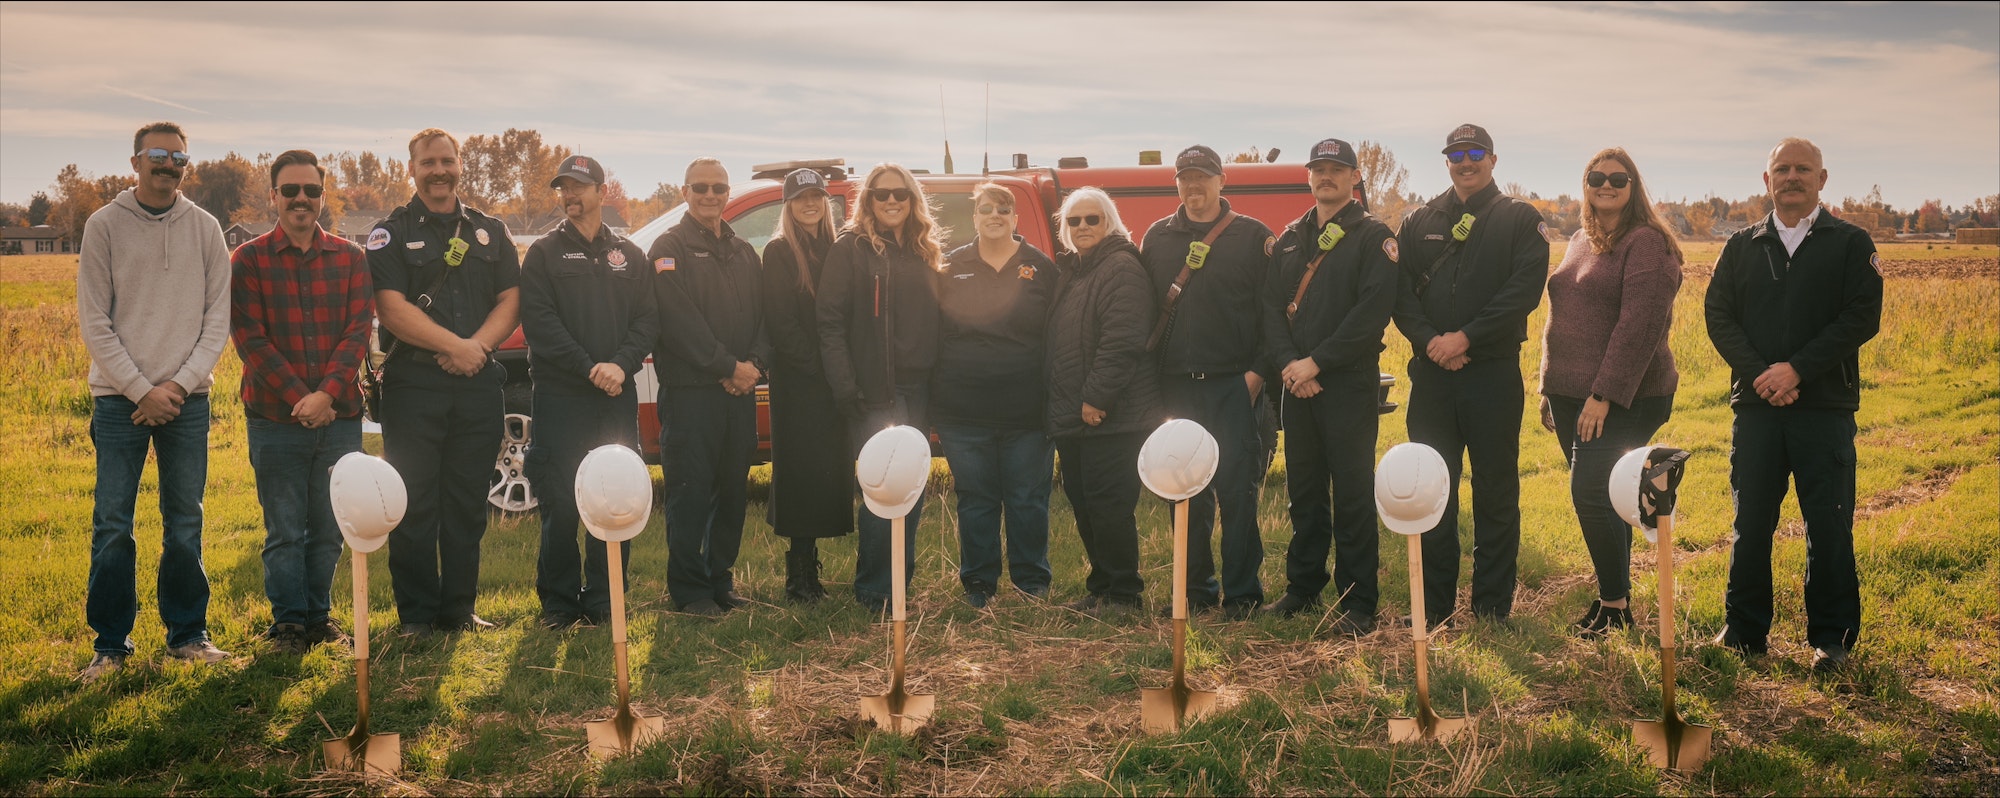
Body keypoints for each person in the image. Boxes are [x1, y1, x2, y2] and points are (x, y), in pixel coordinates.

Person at [1705, 137, 1881, 672]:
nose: (1792, 177)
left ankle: (1831, 639)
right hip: (1756, 411)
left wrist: (1797, 368)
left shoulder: (1850, 243)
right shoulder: (1741, 245)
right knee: (1750, 521)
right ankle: (1743, 631)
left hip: (1824, 408)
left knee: (1828, 524)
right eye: (1782, 168)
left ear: (1822, 180)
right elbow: (1719, 316)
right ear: (1766, 181)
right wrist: (1762, 374)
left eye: (1804, 169)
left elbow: (1860, 317)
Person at [77, 121, 234, 681]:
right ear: (136, 162)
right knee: (113, 523)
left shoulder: (206, 229)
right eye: (159, 156)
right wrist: (142, 390)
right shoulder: (104, 226)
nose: (170, 166)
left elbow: (218, 321)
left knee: (184, 520)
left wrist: (177, 386)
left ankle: (187, 635)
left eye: (180, 159)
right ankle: (111, 646)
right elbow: (95, 321)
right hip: (120, 401)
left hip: (186, 400)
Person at [1391, 123, 1550, 628]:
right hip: (1433, 378)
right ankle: (1436, 606)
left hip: (1492, 375)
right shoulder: (1419, 220)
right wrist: (1433, 343)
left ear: (1493, 159)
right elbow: (1399, 295)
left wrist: (1468, 338)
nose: (1466, 161)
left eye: (1475, 152)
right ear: (1446, 162)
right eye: (1457, 153)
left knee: (1496, 491)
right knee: (1433, 488)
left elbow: (1523, 291)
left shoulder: (1520, 219)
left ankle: (1491, 607)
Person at [368, 128, 520, 637]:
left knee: (465, 501)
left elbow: (510, 301)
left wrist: (475, 349)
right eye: (428, 162)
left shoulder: (490, 232)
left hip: (477, 386)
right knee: (414, 501)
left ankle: (458, 611)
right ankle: (415, 616)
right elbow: (391, 308)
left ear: (461, 165)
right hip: (415, 386)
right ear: (411, 169)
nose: (439, 170)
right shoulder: (389, 234)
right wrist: (454, 347)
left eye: (447, 161)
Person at [230, 149, 374, 653]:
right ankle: (288, 623)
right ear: (273, 196)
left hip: (339, 418)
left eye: (310, 190)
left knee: (331, 527)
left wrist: (328, 393)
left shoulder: (351, 258)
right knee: (285, 529)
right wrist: (303, 399)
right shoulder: (247, 260)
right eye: (290, 190)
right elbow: (250, 338)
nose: (300, 199)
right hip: (275, 417)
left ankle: (320, 617)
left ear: (322, 196)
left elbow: (357, 332)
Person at [1537, 147, 1683, 638]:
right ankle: (1615, 602)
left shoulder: (1647, 244)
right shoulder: (1581, 238)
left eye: (1617, 178)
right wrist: (1547, 386)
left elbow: (1639, 326)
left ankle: (1615, 607)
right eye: (1596, 176)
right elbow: (1561, 315)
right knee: (1608, 494)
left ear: (1633, 185)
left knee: (1591, 492)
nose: (1606, 184)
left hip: (1623, 395)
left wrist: (1603, 394)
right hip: (1570, 393)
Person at [1258, 138, 1396, 635]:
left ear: (1355, 178)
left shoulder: (1372, 236)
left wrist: (1316, 363)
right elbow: (1271, 309)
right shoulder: (1292, 236)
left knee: (1353, 493)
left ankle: (1358, 603)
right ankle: (1303, 587)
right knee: (1305, 491)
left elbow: (1370, 315)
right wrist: (1290, 366)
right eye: (1319, 169)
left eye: (1338, 169)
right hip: (1296, 384)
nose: (1327, 177)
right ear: (1308, 178)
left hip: (1346, 383)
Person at [1138, 144, 1276, 620]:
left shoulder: (1253, 237)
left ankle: (1242, 595)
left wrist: (1256, 374)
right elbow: (1145, 312)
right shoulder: (1156, 238)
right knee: (1184, 493)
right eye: (1185, 177)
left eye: (1203, 176)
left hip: (1232, 385)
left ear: (1222, 181)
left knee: (1238, 491)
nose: (1193, 186)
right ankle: (1195, 591)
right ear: (1176, 183)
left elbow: (1271, 314)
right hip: (1175, 386)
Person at [520, 155, 657, 630]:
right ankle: (558, 604)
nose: (570, 195)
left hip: (616, 396)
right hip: (562, 398)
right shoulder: (543, 254)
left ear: (602, 192)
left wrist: (620, 365)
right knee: (559, 502)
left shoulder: (630, 256)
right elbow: (540, 324)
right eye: (564, 188)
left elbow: (647, 320)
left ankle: (604, 599)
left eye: (579, 186)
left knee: (614, 498)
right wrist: (588, 367)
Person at [817, 163, 945, 613]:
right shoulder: (850, 249)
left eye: (901, 194)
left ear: (914, 201)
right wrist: (846, 386)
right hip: (875, 391)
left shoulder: (923, 249)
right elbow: (829, 322)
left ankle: (900, 588)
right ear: (867, 200)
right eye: (882, 194)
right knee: (883, 489)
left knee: (912, 489)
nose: (892, 201)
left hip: (921, 388)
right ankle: (874, 593)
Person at [648, 157, 768, 616]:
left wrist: (753, 363)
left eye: (719, 187)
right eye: (701, 187)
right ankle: (690, 589)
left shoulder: (741, 250)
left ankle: (720, 580)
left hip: (738, 394)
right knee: (690, 491)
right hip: (692, 394)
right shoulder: (668, 247)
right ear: (685, 192)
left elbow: (763, 316)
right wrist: (726, 366)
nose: (711, 195)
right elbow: (678, 323)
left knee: (733, 491)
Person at [934, 182, 1059, 607]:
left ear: (1015, 217)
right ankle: (978, 585)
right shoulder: (950, 266)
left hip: (1027, 411)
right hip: (962, 412)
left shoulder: (1041, 268)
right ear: (974, 217)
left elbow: (1056, 337)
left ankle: (1031, 583)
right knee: (976, 500)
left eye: (1003, 209)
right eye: (986, 209)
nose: (994, 216)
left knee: (1027, 500)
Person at [1045, 187, 1163, 616]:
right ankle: (1101, 587)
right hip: (1076, 417)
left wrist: (1096, 398)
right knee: (1085, 504)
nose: (1082, 227)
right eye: (1074, 221)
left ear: (1109, 221)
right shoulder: (1076, 271)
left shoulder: (1120, 267)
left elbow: (1123, 340)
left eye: (1092, 219)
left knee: (1109, 506)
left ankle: (1123, 595)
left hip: (1111, 416)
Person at [760, 168, 852, 604]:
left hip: (833, 381)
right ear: (788, 206)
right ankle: (798, 576)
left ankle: (813, 573)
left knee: (826, 474)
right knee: (799, 475)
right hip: (799, 384)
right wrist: (820, 366)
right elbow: (781, 323)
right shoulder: (779, 252)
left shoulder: (838, 249)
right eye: (800, 198)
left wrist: (839, 371)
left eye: (816, 196)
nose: (809, 204)